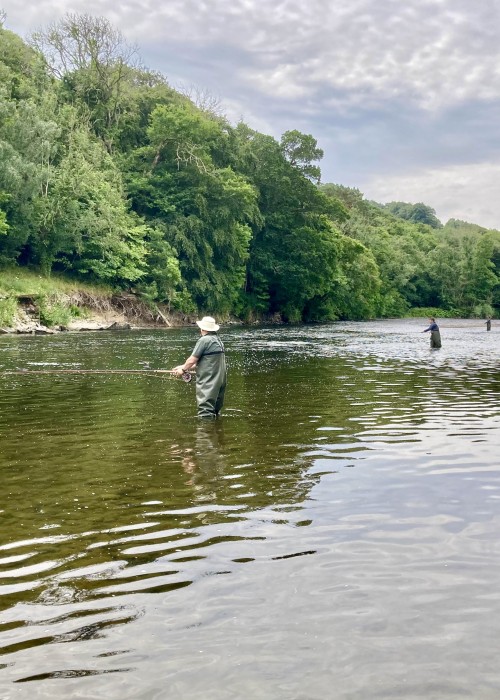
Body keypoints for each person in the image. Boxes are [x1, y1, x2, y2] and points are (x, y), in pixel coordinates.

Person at [172, 316, 227, 419]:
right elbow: (204, 362)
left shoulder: (204, 340)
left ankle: (205, 433)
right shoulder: (218, 340)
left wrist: (182, 370)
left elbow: (192, 360)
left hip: (209, 381)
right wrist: (182, 367)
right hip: (220, 381)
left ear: (203, 328)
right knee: (215, 410)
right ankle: (217, 431)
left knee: (205, 411)